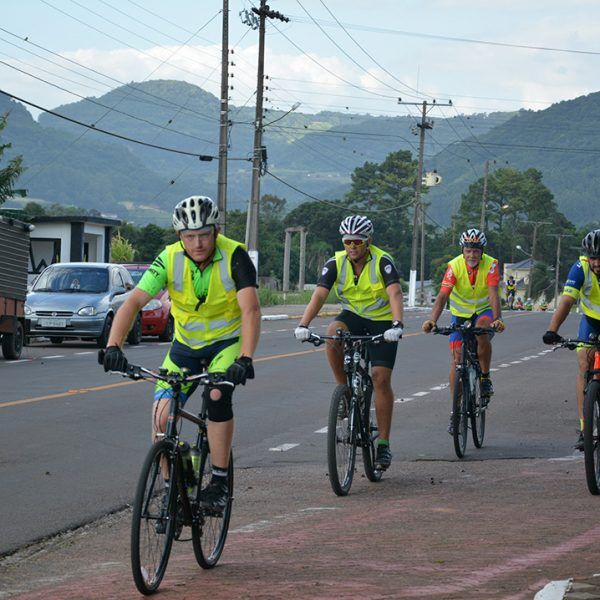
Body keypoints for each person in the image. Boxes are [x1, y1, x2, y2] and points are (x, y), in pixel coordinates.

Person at [99, 196, 261, 510]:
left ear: (215, 231)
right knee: (162, 417)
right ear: (179, 237)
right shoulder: (169, 258)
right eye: (190, 236)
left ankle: (218, 479)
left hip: (225, 345)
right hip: (184, 347)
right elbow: (133, 302)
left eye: (204, 235)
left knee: (216, 396)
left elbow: (251, 310)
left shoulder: (235, 256)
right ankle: (177, 488)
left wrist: (245, 357)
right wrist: (113, 346)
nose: (198, 243)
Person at [294, 215, 404, 470]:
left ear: (368, 242)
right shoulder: (336, 262)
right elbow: (320, 294)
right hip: (353, 317)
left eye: (357, 241)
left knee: (379, 378)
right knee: (333, 333)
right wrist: (303, 325)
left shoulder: (383, 261)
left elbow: (395, 293)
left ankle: (384, 446)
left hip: (382, 321)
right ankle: (343, 391)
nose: (352, 246)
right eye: (347, 242)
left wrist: (397, 325)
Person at [422, 228, 505, 427]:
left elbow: (493, 292)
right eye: (468, 250)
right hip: (460, 315)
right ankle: (456, 409)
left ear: (482, 251)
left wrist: (497, 318)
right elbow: (442, 295)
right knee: (457, 360)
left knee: (482, 329)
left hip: (484, 311)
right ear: (463, 250)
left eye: (476, 251)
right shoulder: (454, 266)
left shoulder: (491, 264)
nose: (472, 255)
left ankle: (485, 379)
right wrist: (432, 320)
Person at [542, 229, 600, 451]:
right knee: (585, 364)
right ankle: (585, 427)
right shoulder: (580, 268)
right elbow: (566, 301)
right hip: (592, 321)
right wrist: (552, 330)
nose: (597, 262)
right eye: (593, 257)